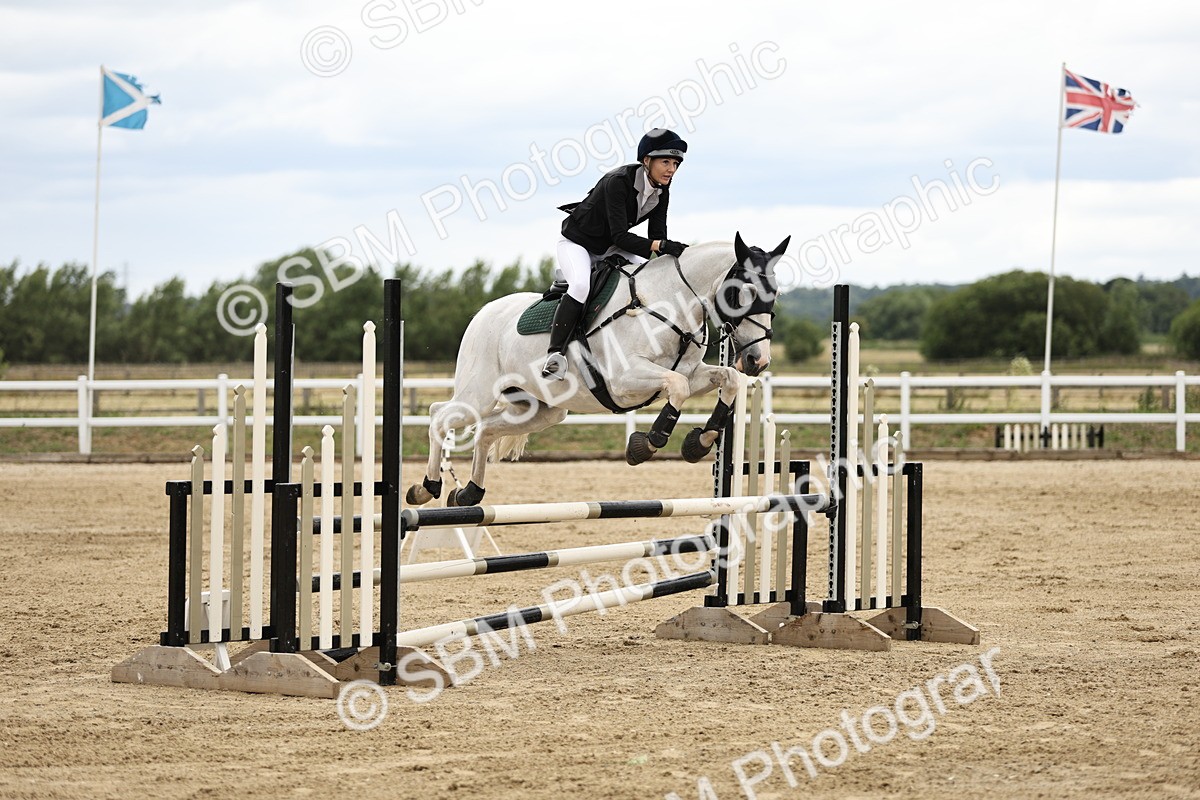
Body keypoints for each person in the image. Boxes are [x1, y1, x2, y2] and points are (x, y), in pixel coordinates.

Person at [541, 128, 691, 379]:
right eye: (665, 162)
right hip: (578, 244)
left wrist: (672, 257)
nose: (671, 169)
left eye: (675, 164)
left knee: (648, 274)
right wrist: (660, 246)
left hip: (612, 245)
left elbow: (658, 235)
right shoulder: (618, 182)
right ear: (646, 160)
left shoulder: (662, 190)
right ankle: (555, 355)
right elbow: (621, 236)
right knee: (580, 286)